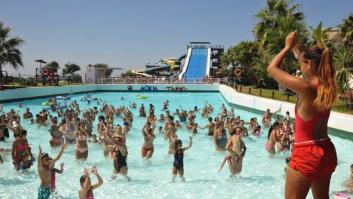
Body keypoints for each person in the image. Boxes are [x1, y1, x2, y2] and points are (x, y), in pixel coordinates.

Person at [267, 32, 338, 199]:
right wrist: (296, 48)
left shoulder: (306, 88)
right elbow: (304, 60)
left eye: (302, 64)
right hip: (326, 151)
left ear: (310, 64)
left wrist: (286, 47)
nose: (300, 67)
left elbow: (271, 69)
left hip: (306, 153)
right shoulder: (327, 87)